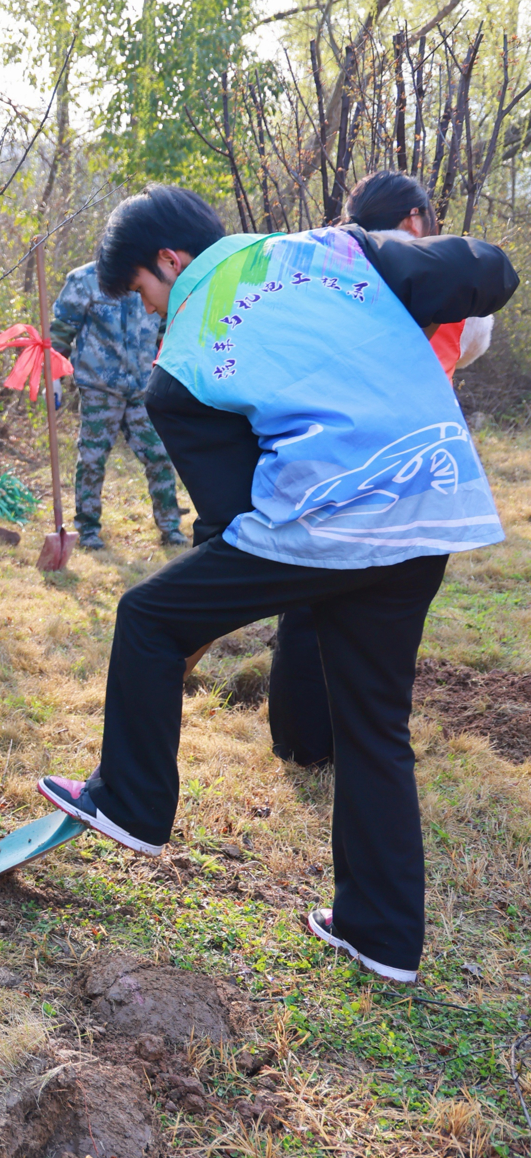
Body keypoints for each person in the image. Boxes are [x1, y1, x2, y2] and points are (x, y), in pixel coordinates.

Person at [35, 184, 516, 985]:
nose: (149, 310)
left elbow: (232, 517)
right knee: (374, 724)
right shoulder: (333, 249)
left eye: (144, 290)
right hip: (430, 501)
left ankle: (129, 804)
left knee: (149, 616)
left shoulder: (181, 363)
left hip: (323, 520)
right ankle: (381, 936)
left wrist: (201, 615)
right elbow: (486, 272)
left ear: (170, 261)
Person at [267, 170, 496, 767]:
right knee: (386, 622)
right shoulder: (453, 279)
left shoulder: (323, 269)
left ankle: (300, 740)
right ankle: (367, 746)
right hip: (416, 470)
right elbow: (475, 342)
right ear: (415, 219)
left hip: (329, 457)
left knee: (308, 600)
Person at [49, 258, 186, 549]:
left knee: (159, 456)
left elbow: (166, 330)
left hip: (142, 387)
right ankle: (88, 530)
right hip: (99, 386)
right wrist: (53, 377)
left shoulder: (153, 278)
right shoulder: (85, 279)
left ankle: (170, 527)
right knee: (92, 459)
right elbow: (61, 330)